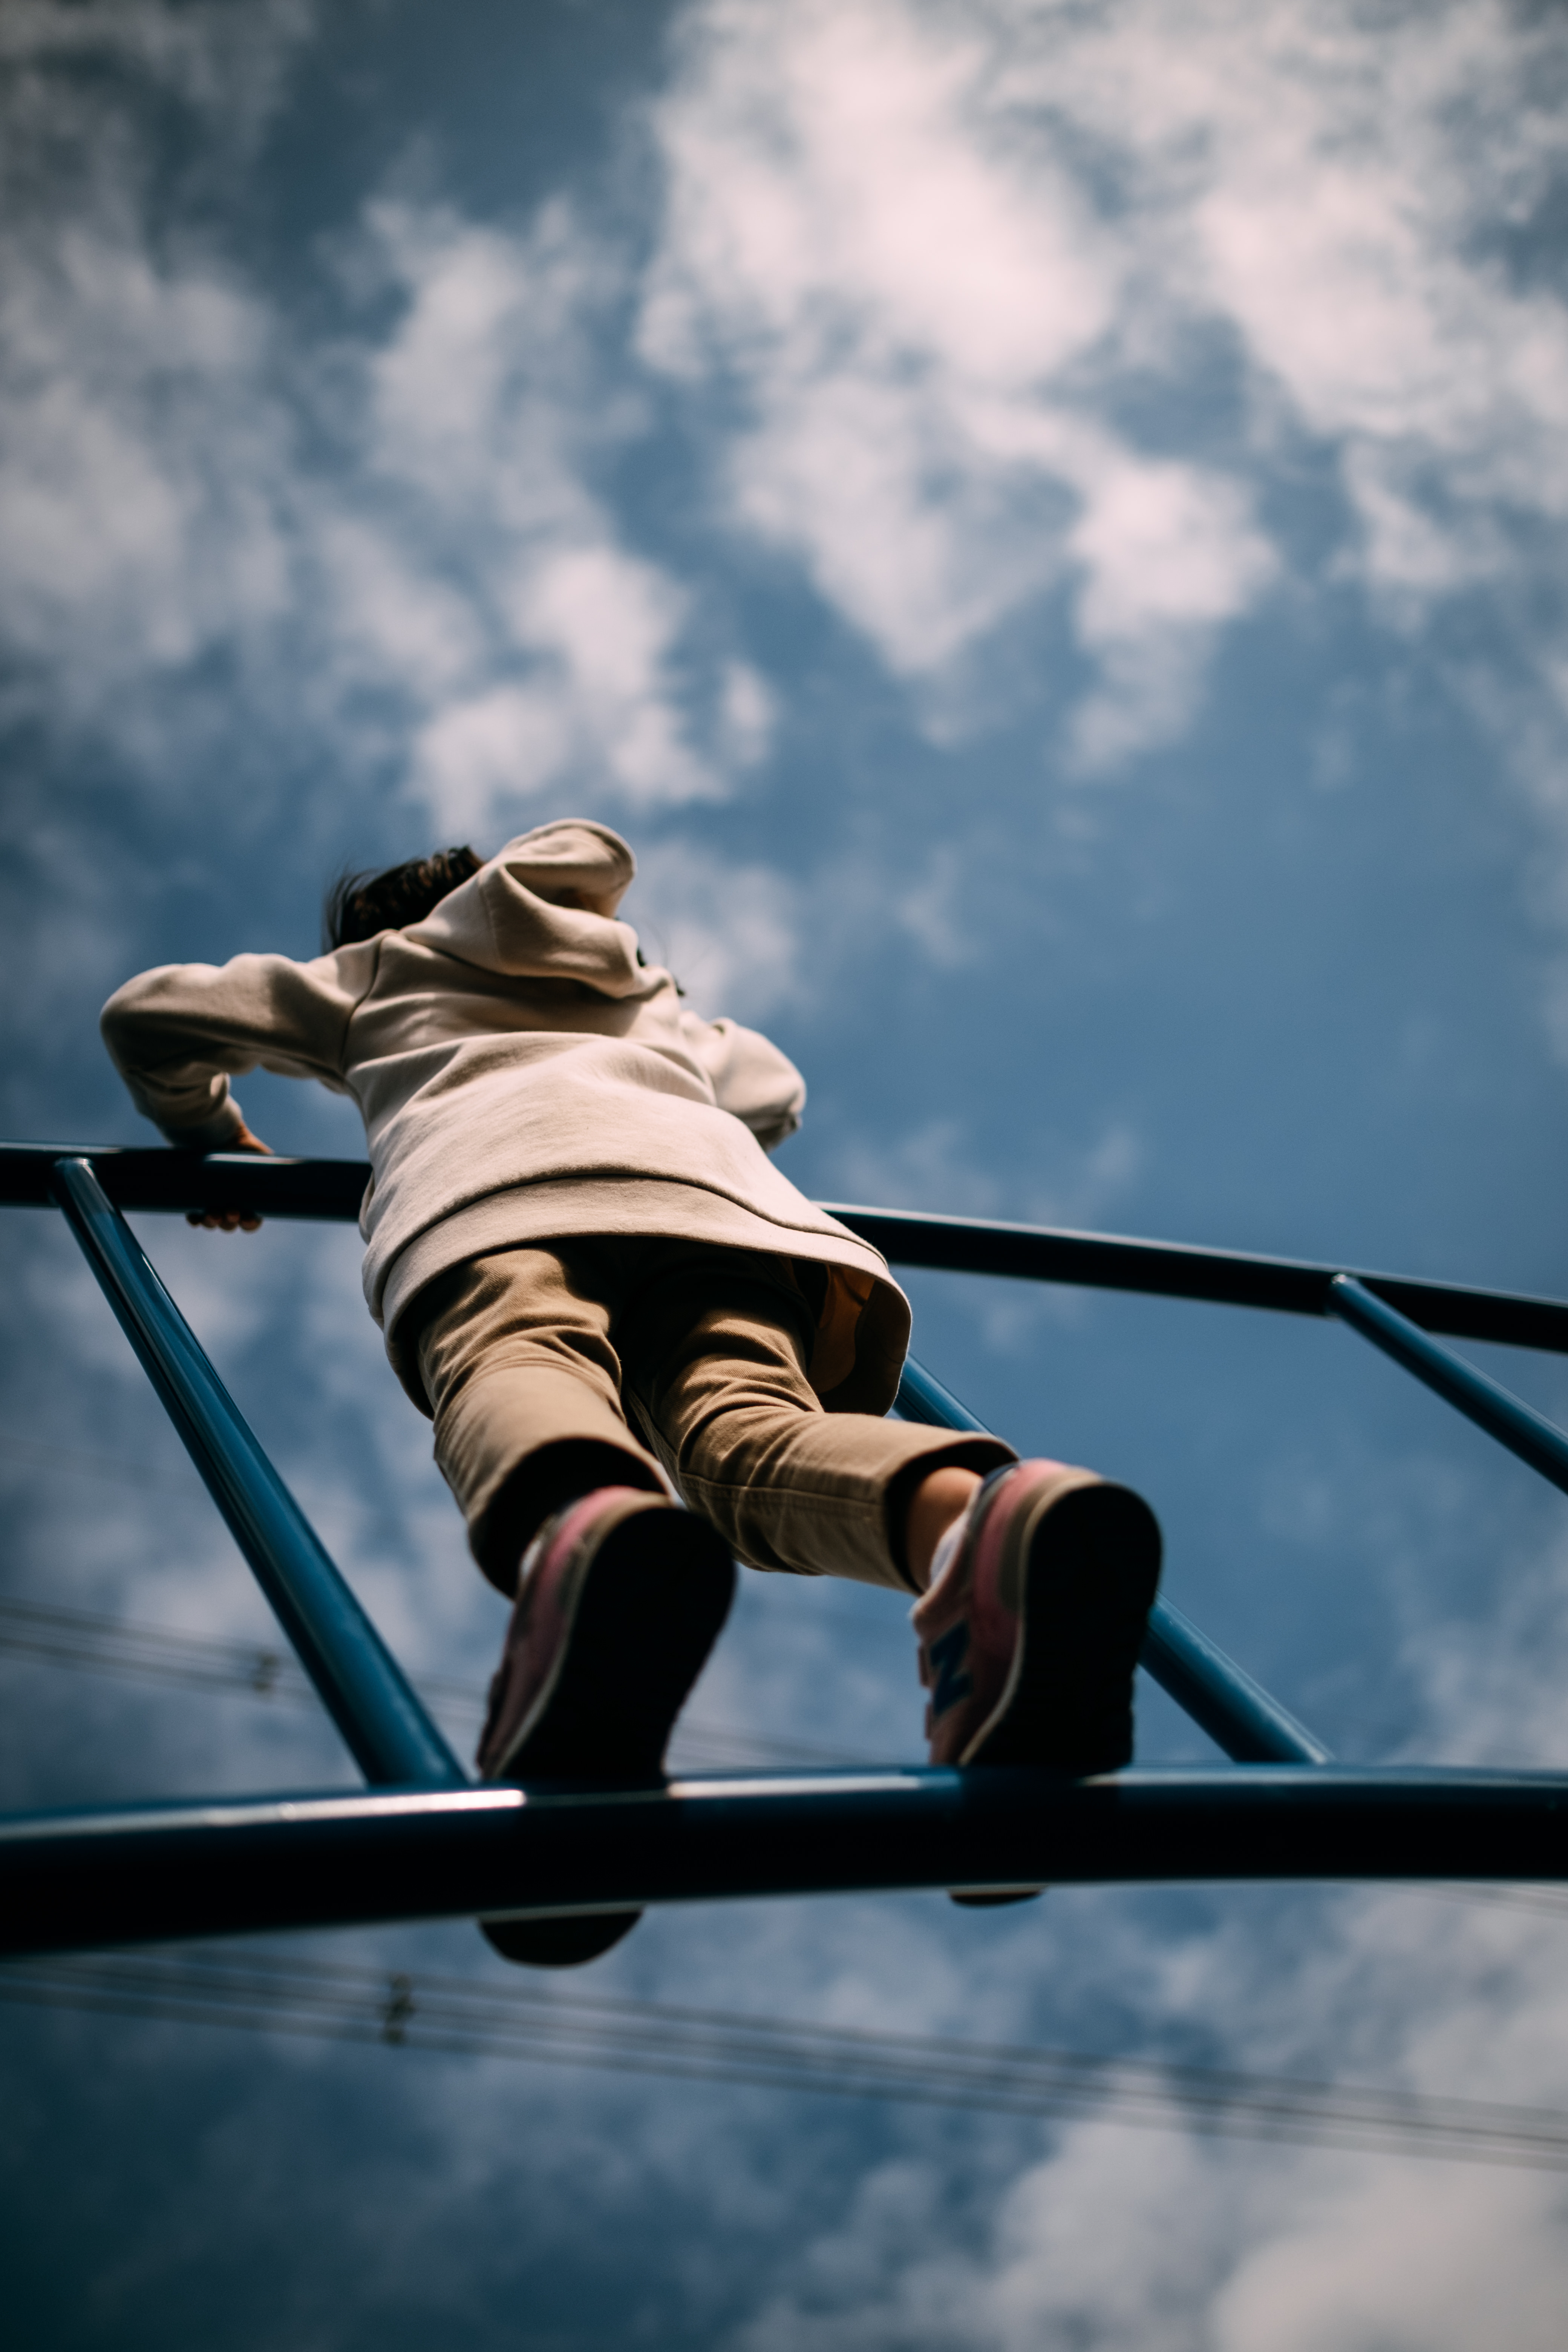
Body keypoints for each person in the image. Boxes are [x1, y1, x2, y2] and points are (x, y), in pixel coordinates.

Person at [101, 820, 1161, 1963]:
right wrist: (673, 1056)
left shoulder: (376, 973)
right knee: (752, 1434)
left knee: (520, 1366)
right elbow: (776, 1086)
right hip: (722, 1218)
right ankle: (980, 1526)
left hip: (492, 1196)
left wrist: (214, 1133)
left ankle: (592, 1536)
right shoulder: (639, 982)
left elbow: (149, 1018)